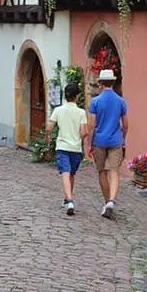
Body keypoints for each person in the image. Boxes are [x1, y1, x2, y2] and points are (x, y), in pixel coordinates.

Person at [89, 69, 127, 219]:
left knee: (102, 172)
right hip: (115, 140)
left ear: (100, 83)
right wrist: (123, 138)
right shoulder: (120, 101)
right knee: (114, 172)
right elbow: (126, 124)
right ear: (113, 82)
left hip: (99, 141)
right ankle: (111, 200)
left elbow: (92, 125)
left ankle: (107, 201)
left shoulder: (95, 101)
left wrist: (89, 144)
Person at [47, 83, 89, 216]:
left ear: (65, 96)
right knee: (71, 174)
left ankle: (69, 200)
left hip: (62, 147)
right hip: (75, 148)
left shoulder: (58, 110)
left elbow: (49, 128)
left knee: (65, 173)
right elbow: (83, 133)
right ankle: (68, 198)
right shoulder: (81, 112)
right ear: (77, 96)